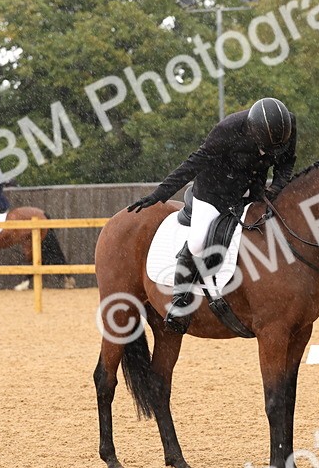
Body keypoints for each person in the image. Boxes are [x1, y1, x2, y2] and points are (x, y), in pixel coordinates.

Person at [127, 97, 297, 333]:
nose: (268, 152)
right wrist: (161, 193)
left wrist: (275, 188)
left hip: (252, 192)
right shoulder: (227, 130)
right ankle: (180, 300)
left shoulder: (287, 126)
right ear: (252, 131)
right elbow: (194, 163)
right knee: (198, 242)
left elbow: (286, 163)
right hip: (213, 193)